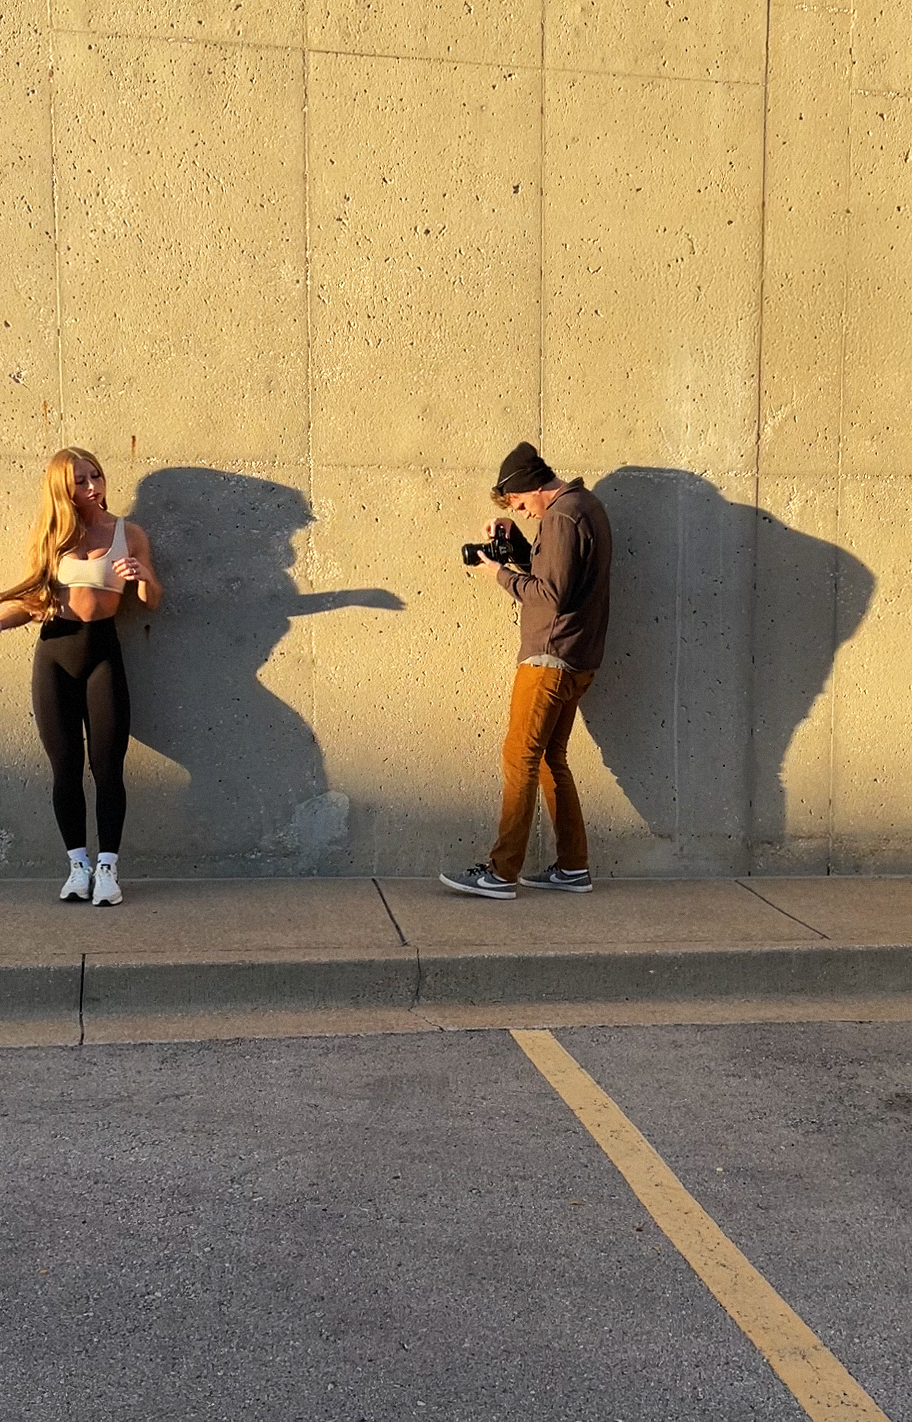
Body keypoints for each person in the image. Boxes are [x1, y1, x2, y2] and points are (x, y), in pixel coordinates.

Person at [440, 442, 612, 899]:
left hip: (549, 658)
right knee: (552, 760)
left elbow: (550, 595)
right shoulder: (585, 506)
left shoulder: (561, 516)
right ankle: (573, 868)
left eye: (518, 503)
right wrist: (516, 543)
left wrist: (498, 574)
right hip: (577, 657)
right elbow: (560, 577)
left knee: (520, 759)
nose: (522, 511)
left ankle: (500, 874)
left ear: (534, 486)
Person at [0, 448, 162, 905]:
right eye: (81, 481)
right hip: (55, 653)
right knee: (65, 768)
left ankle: (108, 868)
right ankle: (78, 866)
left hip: (102, 653)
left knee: (108, 767)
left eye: (97, 476)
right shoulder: (51, 537)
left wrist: (143, 576)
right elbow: (31, 603)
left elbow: (151, 600)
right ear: (62, 489)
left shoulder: (129, 534)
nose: (93, 486)